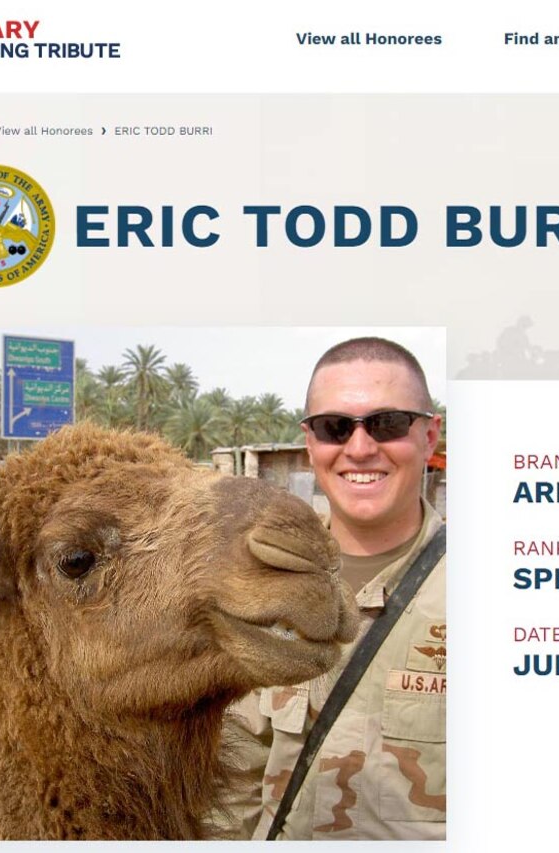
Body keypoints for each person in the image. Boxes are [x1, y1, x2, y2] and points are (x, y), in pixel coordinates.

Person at [222, 336, 446, 841]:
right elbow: (233, 773)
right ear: (310, 443)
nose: (360, 448)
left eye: (387, 424)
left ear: (430, 437)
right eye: (335, 427)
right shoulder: (258, 583)